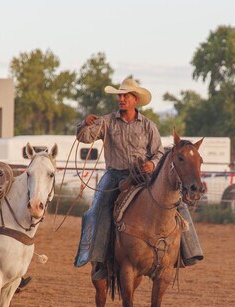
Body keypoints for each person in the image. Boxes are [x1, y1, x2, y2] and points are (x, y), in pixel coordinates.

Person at [74, 78, 203, 280]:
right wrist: (84, 123)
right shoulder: (106, 121)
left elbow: (159, 153)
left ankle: (188, 252)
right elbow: (84, 137)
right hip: (115, 174)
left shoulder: (148, 126)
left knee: (177, 203)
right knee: (98, 209)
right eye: (120, 95)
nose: (122, 98)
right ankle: (98, 259)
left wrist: (152, 164)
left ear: (135, 100)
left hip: (144, 175)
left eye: (126, 95)